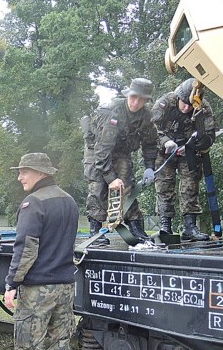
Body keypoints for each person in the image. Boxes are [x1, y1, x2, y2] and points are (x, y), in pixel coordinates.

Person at [3, 153, 83, 350]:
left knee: (29, 348)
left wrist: (12, 283)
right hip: (65, 287)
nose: (20, 177)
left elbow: (25, 249)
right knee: (60, 345)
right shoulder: (69, 200)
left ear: (39, 173)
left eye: (24, 172)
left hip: (38, 289)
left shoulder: (33, 203)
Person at [87, 78, 158, 243]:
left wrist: (149, 166)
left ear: (146, 100)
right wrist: (111, 178)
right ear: (128, 95)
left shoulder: (146, 117)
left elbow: (150, 143)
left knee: (127, 185)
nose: (136, 102)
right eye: (133, 97)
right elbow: (102, 150)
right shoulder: (113, 113)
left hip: (121, 152)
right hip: (97, 151)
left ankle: (135, 228)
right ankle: (96, 231)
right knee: (98, 185)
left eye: (141, 99)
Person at [152, 78, 215, 241]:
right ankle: (165, 226)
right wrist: (165, 142)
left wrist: (196, 142)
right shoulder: (166, 102)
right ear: (178, 97)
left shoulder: (203, 108)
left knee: (190, 185)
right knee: (164, 185)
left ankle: (190, 227)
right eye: (183, 103)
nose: (186, 108)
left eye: (190, 104)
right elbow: (151, 128)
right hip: (164, 150)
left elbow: (209, 137)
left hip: (189, 151)